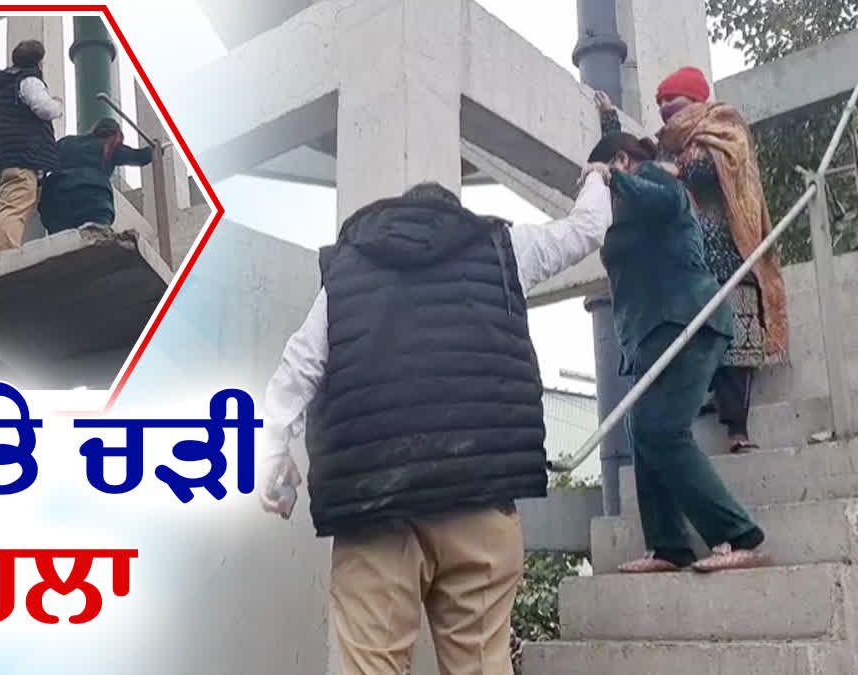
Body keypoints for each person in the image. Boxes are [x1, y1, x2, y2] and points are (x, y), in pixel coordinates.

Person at [258, 170, 613, 675]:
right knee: (481, 665)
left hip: (372, 505)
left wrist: (273, 447)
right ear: (456, 214)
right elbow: (587, 230)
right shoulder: (502, 246)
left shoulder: (347, 270)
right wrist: (598, 178)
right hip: (478, 497)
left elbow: (301, 364)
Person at [588, 131, 768, 574]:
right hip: (652, 332)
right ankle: (669, 546)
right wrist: (608, 118)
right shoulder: (631, 197)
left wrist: (611, 176)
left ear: (622, 162)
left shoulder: (657, 181)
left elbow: (662, 201)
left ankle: (739, 534)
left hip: (686, 322)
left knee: (663, 431)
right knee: (641, 430)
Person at [595, 66, 789, 453]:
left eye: (674, 98)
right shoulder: (665, 145)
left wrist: (679, 169)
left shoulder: (724, 127)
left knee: (734, 346)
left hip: (728, 254)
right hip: (684, 262)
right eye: (662, 101)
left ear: (697, 98)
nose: (666, 107)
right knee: (692, 340)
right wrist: (610, 121)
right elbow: (633, 162)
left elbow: (716, 168)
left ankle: (737, 429)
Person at [0, 39, 65, 258]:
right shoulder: (28, 80)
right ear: (39, 62)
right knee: (14, 208)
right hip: (20, 159)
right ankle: (6, 260)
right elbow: (43, 108)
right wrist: (58, 104)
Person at [37, 118, 154, 235]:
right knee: (96, 237)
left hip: (55, 202)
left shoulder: (66, 142)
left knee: (60, 240)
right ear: (116, 135)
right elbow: (138, 157)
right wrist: (154, 149)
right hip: (93, 201)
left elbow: (44, 163)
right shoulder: (109, 146)